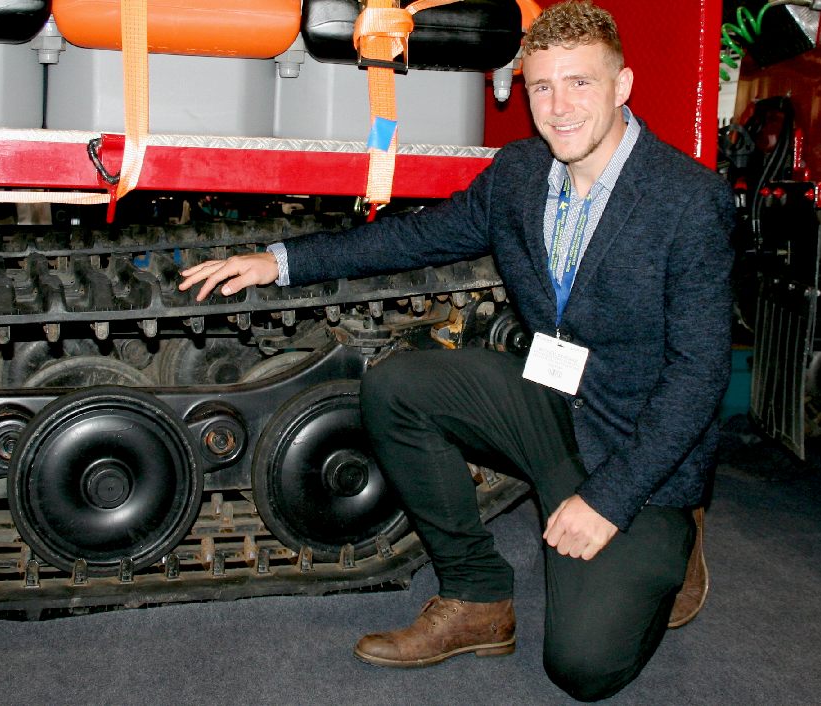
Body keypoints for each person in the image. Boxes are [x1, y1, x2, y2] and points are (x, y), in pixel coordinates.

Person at [178, 1, 732, 700]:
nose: (559, 108)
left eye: (580, 84)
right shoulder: (520, 173)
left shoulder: (689, 202)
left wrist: (612, 500)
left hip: (635, 444)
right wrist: (281, 260)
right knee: (399, 387)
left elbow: (698, 377)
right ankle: (476, 597)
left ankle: (681, 534)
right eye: (541, 87)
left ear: (622, 86)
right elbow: (413, 238)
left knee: (585, 669)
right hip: (552, 399)